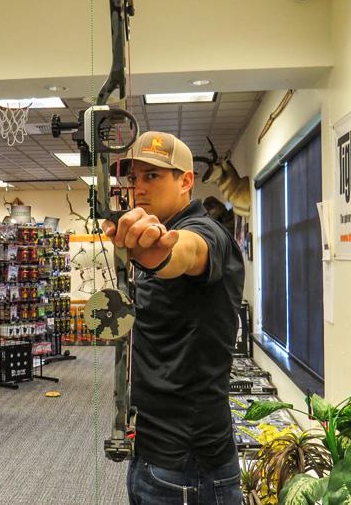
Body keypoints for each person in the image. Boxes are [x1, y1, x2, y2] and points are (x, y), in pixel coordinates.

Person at [102, 131, 245, 505]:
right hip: (152, 451)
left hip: (189, 469)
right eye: (133, 178)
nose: (139, 188)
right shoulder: (151, 235)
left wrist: (158, 255)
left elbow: (187, 252)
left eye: (153, 176)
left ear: (186, 181)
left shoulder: (206, 233)